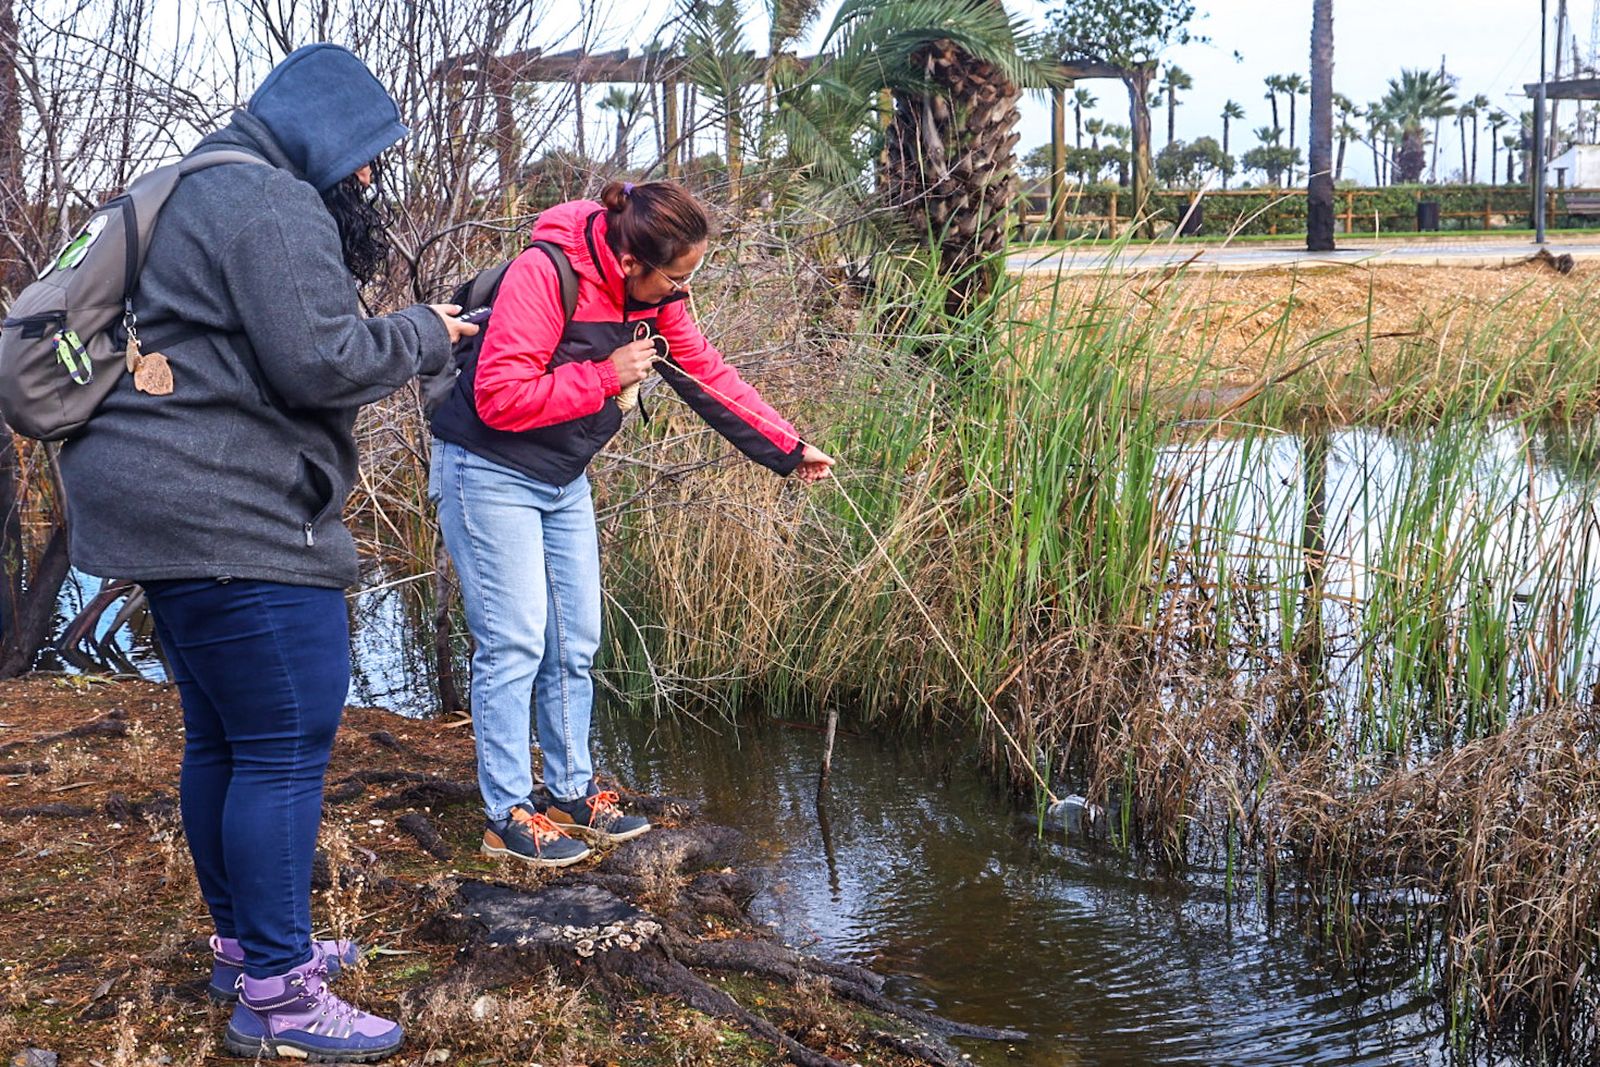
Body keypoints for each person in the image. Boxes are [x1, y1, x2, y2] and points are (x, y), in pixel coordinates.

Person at [55, 44, 477, 1063]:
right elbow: (322, 362)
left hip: (152, 503)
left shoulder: (178, 186)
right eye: (367, 157)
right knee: (285, 746)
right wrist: (426, 330)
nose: (370, 177)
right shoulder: (271, 201)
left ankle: (249, 949)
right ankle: (280, 1001)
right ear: (325, 137)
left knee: (224, 739)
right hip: (231, 516)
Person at [429, 180, 834, 866]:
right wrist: (604, 373)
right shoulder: (544, 273)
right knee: (514, 643)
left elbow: (704, 371)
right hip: (487, 470)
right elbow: (499, 397)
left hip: (561, 475)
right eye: (675, 277)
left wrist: (787, 447)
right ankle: (506, 813)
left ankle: (569, 791)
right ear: (628, 262)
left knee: (576, 641)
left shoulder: (658, 297)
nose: (682, 291)